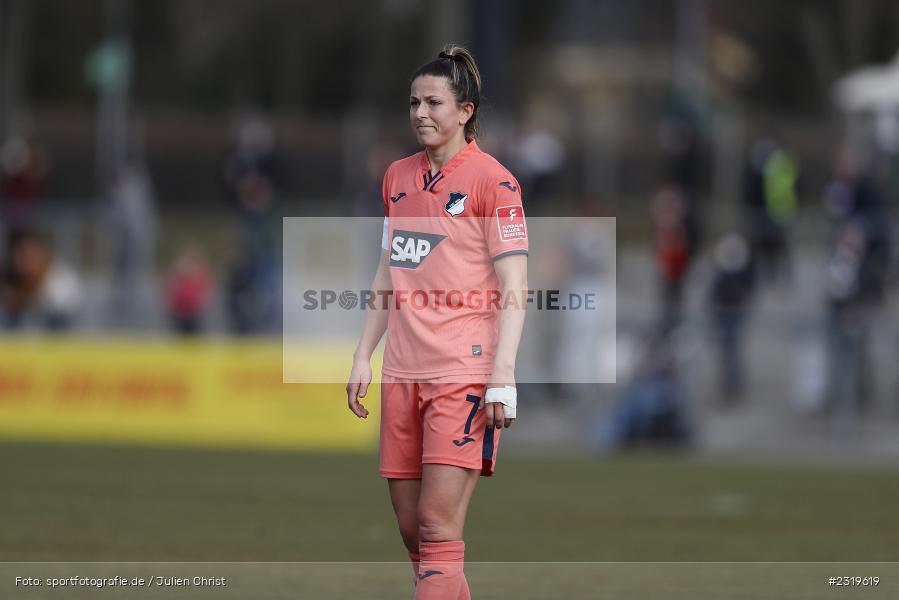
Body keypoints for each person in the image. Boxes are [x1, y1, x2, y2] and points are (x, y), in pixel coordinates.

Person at [345, 45, 528, 599]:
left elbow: (515, 289)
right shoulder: (396, 179)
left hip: (462, 374)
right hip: (403, 372)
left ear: (465, 110)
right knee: (414, 534)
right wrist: (362, 356)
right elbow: (387, 274)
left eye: (433, 102)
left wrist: (503, 377)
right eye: (413, 103)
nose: (420, 113)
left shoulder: (496, 184)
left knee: (437, 528)